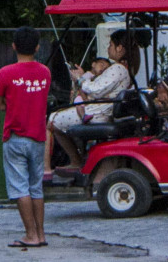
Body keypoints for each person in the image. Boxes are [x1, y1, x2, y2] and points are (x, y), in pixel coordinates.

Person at [47, 29, 137, 174]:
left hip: (96, 112)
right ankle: (78, 159)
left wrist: (80, 78)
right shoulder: (122, 69)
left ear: (119, 48)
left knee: (52, 120)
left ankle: (62, 164)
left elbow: (96, 90)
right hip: (98, 109)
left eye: (111, 45)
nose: (108, 48)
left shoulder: (118, 68)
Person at [0, 26, 52, 248]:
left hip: (15, 135)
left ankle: (30, 235)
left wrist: (13, 103)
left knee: (20, 188)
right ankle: (41, 234)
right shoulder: (45, 72)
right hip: (38, 137)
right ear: (37, 47)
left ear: (14, 46)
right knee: (36, 187)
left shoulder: (5, 73)